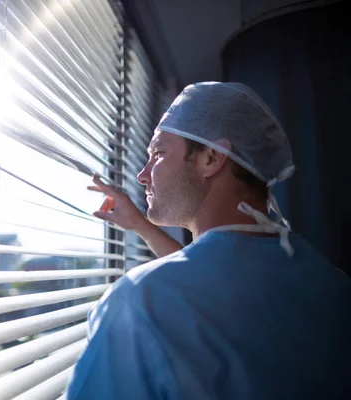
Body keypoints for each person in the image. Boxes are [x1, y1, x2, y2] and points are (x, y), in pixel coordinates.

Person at [66, 82, 351, 399]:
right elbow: (205, 282)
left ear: (212, 158)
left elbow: (189, 294)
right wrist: (141, 225)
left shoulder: (138, 304)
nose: (142, 175)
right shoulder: (332, 283)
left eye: (158, 153)